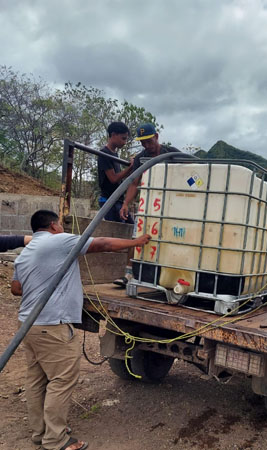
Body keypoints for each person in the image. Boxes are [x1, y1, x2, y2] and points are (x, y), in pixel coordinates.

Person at [11, 210, 150, 450]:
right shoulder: (59, 240)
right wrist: (137, 242)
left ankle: (40, 433)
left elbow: (16, 289)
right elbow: (102, 243)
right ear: (54, 225)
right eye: (61, 226)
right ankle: (56, 440)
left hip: (29, 325)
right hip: (53, 325)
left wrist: (42, 285)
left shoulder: (26, 254)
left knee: (37, 379)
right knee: (61, 380)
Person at [119, 123, 182, 221]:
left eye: (149, 141)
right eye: (143, 143)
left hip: (172, 199)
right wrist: (126, 203)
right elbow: (134, 183)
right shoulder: (140, 159)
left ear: (156, 137)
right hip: (151, 201)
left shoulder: (171, 153)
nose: (147, 145)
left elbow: (190, 171)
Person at [97, 121, 135, 224]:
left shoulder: (114, 154)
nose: (125, 142)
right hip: (109, 202)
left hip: (117, 201)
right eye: (123, 138)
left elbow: (118, 177)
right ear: (113, 135)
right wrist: (130, 168)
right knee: (118, 232)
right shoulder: (104, 154)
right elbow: (113, 179)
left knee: (131, 227)